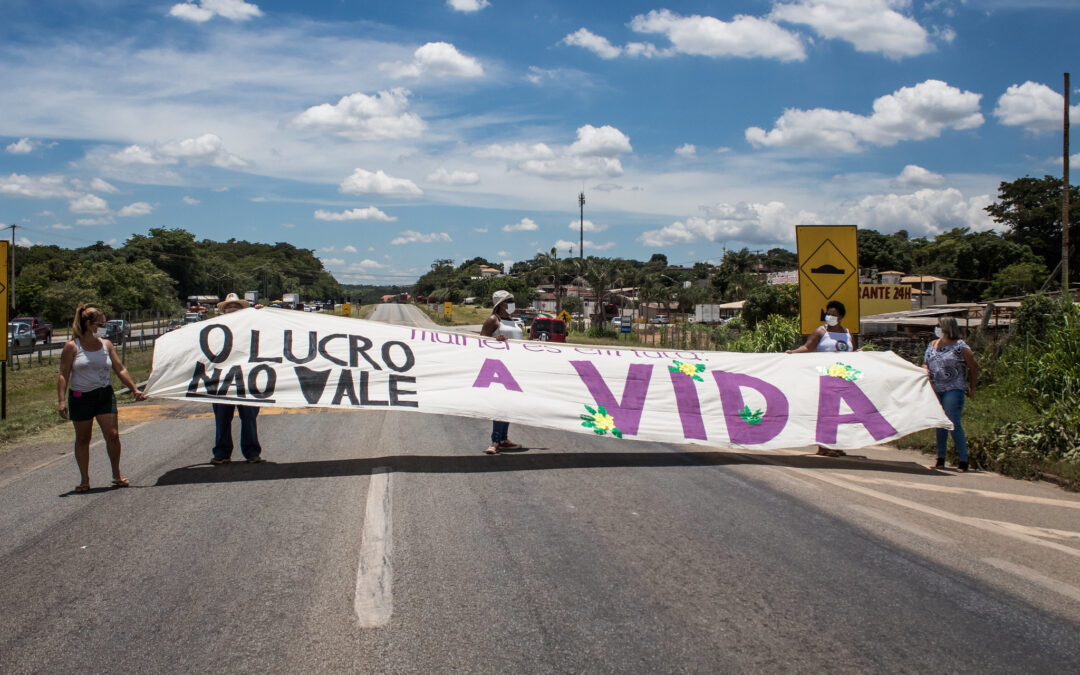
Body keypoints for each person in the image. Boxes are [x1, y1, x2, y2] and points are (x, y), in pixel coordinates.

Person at [58, 304, 147, 493]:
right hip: (81, 397)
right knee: (83, 438)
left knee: (113, 435)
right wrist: (61, 400)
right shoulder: (72, 346)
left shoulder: (106, 345)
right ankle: (84, 480)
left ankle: (117, 474)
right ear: (89, 324)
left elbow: (119, 368)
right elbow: (63, 374)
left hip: (104, 395)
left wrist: (133, 389)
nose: (104, 326)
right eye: (101, 323)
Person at [786, 300, 852, 457]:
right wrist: (793, 353)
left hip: (843, 380)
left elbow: (852, 354)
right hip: (824, 378)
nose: (829, 317)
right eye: (828, 314)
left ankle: (836, 445)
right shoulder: (821, 332)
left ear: (841, 316)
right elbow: (808, 348)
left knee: (841, 413)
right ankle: (823, 446)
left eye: (833, 314)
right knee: (825, 412)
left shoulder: (848, 333)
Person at [210, 293, 264, 464]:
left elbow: (270, 331)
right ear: (223, 312)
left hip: (247, 379)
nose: (231, 310)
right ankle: (222, 453)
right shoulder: (213, 328)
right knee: (222, 418)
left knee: (249, 417)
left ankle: (252, 453)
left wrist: (262, 314)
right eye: (228, 308)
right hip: (221, 381)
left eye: (235, 307)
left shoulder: (252, 325)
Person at [923, 316, 978, 472]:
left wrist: (972, 387)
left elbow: (974, 366)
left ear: (946, 328)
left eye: (939, 326)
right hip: (936, 388)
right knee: (940, 423)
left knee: (953, 422)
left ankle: (963, 460)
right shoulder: (932, 345)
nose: (937, 329)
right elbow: (926, 362)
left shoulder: (960, 347)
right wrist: (925, 369)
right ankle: (940, 458)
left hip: (954, 388)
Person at [480, 289, 523, 454]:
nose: (512, 303)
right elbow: (481, 341)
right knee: (500, 404)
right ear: (500, 304)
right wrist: (495, 340)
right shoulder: (494, 320)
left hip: (515, 366)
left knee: (508, 405)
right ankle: (495, 440)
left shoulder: (513, 320)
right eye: (508, 300)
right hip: (499, 368)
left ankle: (504, 438)